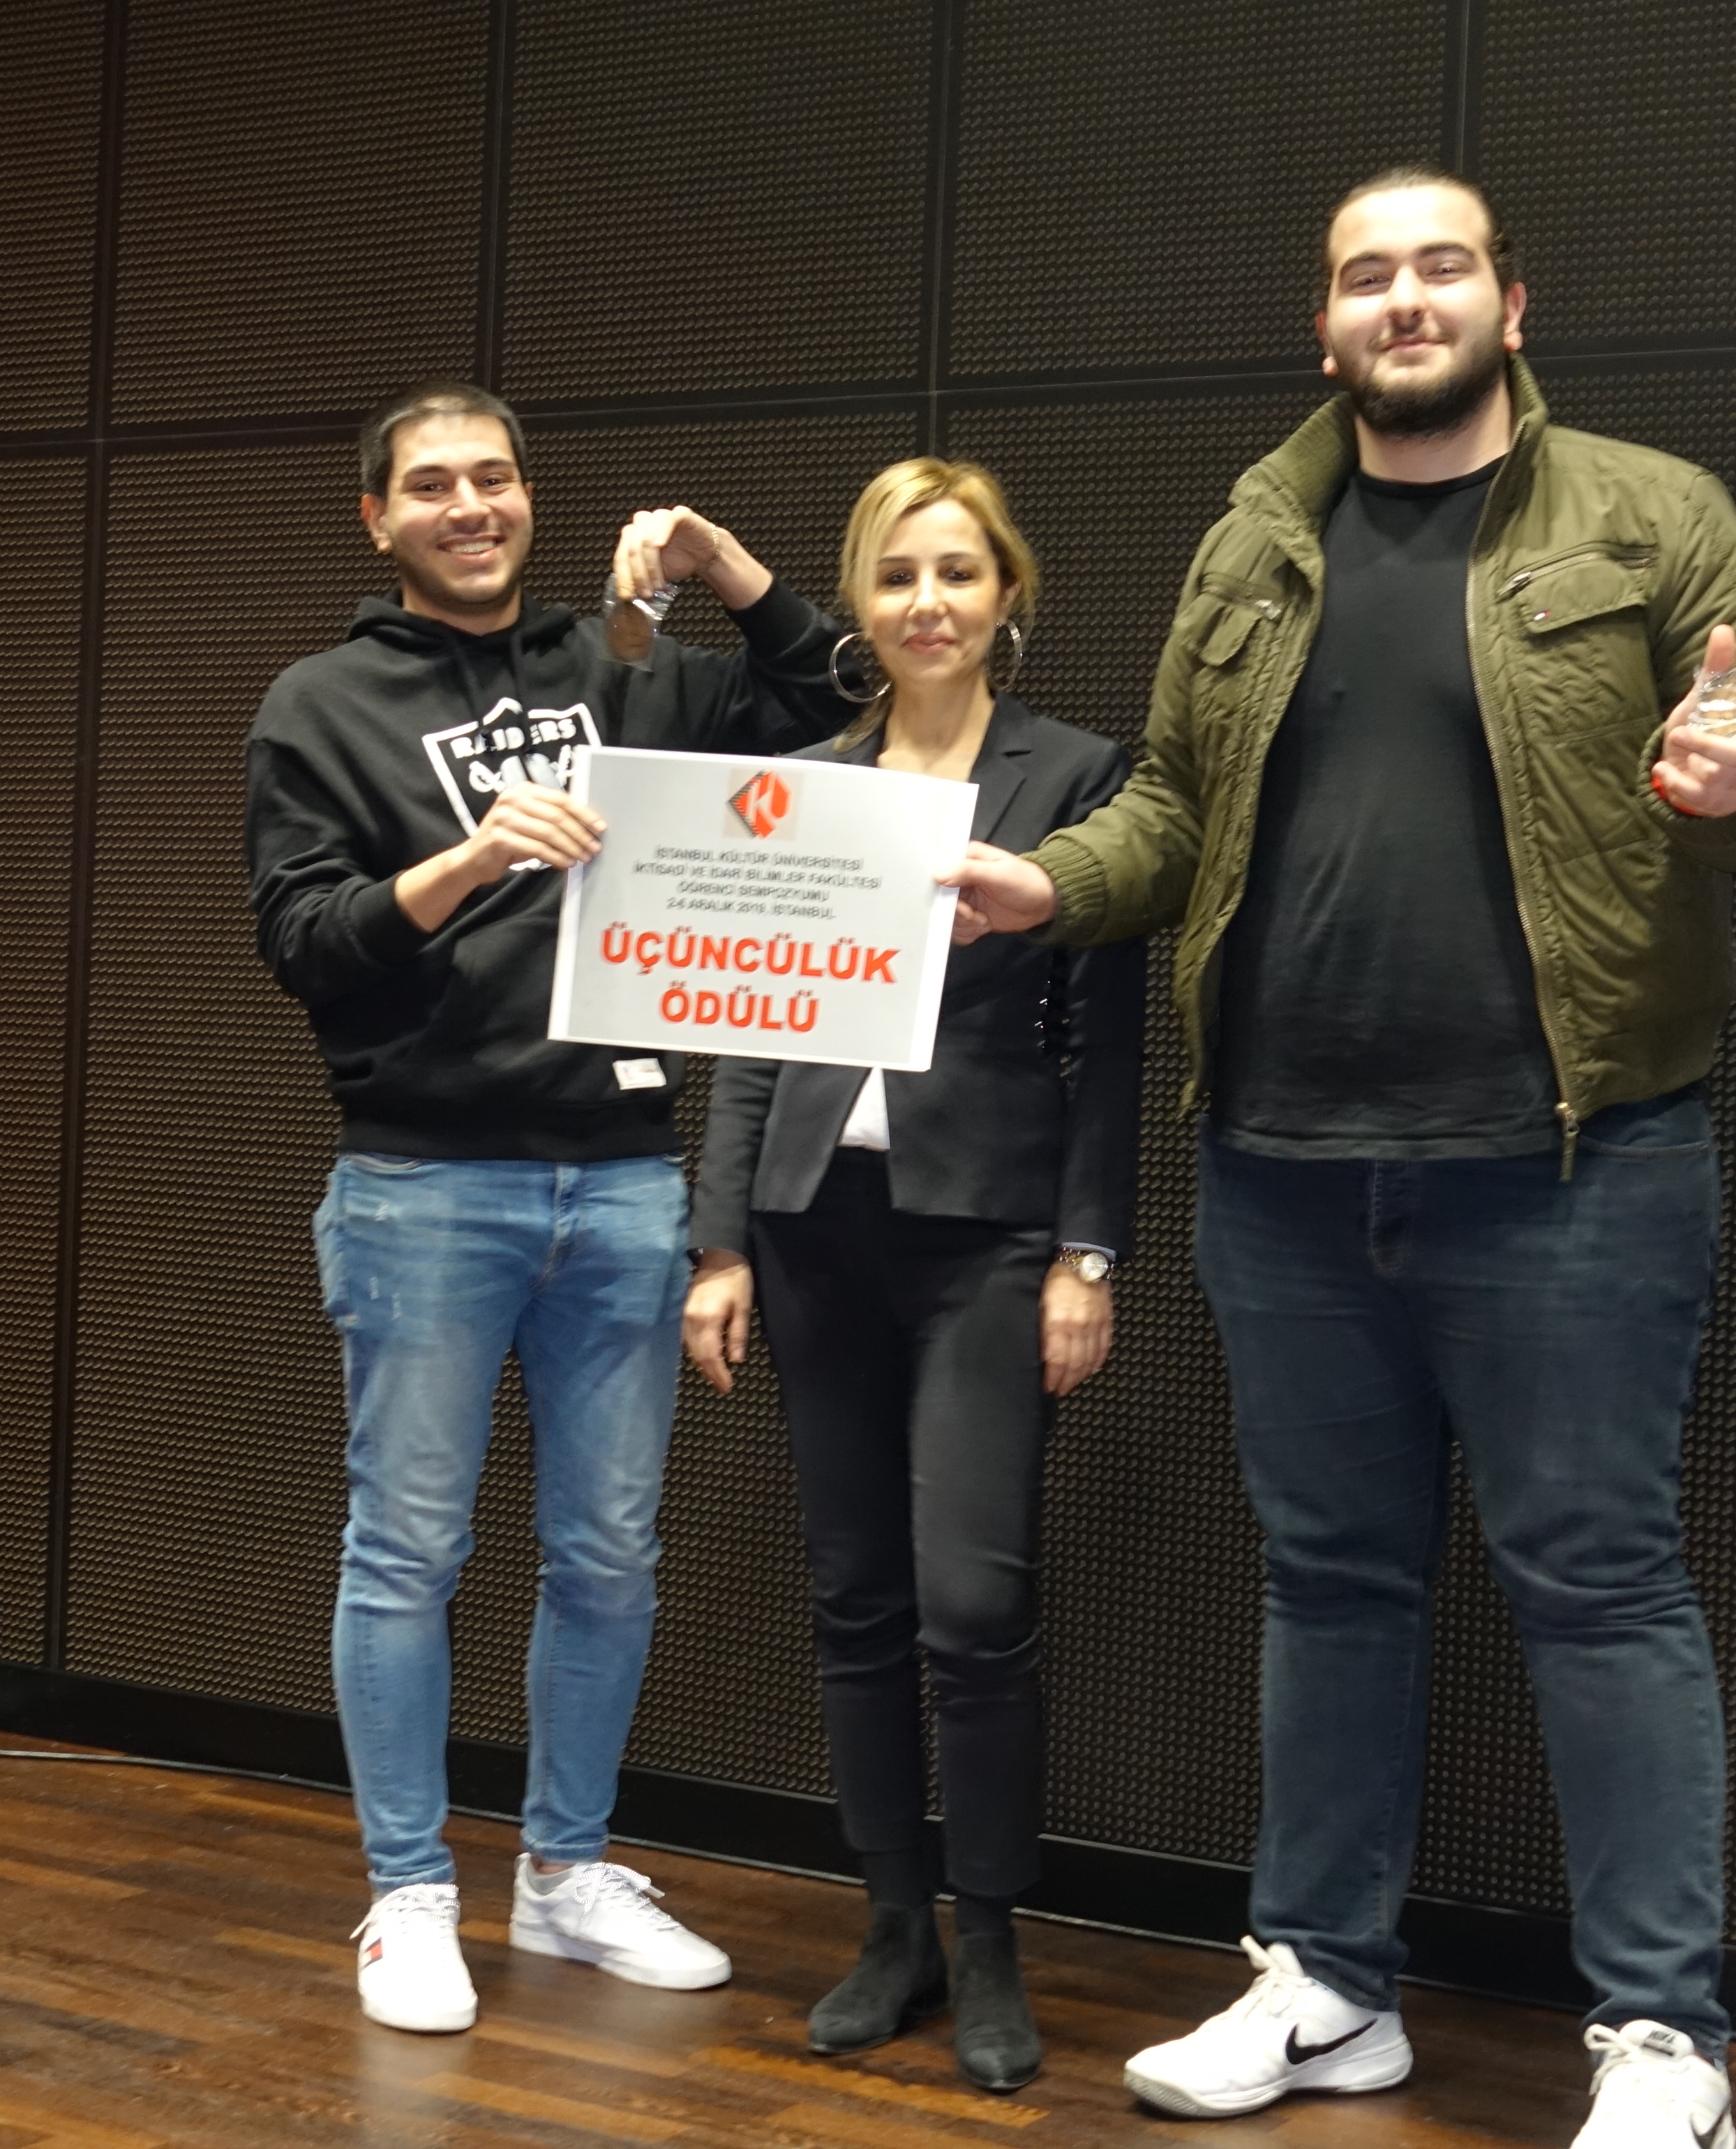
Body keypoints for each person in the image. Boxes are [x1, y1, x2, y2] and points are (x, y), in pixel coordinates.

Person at [941, 170, 1736, 2149]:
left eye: (1441, 267)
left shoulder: (1653, 514)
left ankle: (1664, 2040)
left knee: (1599, 1585)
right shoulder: (1254, 540)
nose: (1403, 298)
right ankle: (1329, 1983)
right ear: (1324, 322)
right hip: (1281, 1164)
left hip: (1574, 1165)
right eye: (1366, 274)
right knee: (1330, 1582)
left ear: (1513, 303)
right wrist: (1050, 883)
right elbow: (1173, 809)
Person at [246, 382, 846, 2035]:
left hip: (627, 1181)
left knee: (607, 1553)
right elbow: (302, 941)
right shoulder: (319, 704)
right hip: (421, 1185)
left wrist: (730, 571)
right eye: (432, 484)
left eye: (496, 478)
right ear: (378, 517)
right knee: (407, 1550)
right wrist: (469, 861)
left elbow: (840, 708)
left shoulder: (626, 667)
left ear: (529, 496)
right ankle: (407, 1894)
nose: (471, 505)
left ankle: (566, 1872)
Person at [680, 459, 1144, 2092]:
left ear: (1007, 592)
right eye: (895, 576)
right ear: (862, 605)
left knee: (975, 1605)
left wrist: (1088, 1250)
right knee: (856, 1599)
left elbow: (1106, 1047)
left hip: (989, 1240)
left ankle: (992, 1934)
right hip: (816, 1230)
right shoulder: (808, 782)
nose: (926, 602)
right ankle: (895, 1928)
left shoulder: (1078, 776)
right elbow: (750, 1029)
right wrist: (720, 1241)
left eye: (956, 572)